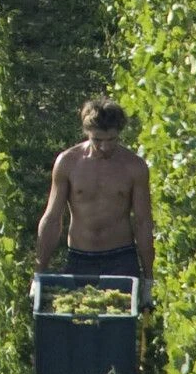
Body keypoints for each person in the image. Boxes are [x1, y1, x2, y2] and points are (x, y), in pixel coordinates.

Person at [35, 98, 155, 283]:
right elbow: (52, 219)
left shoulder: (134, 167)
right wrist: (39, 273)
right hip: (79, 259)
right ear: (87, 133)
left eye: (111, 139)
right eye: (97, 140)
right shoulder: (68, 162)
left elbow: (143, 222)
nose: (105, 147)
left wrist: (148, 278)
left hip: (121, 259)